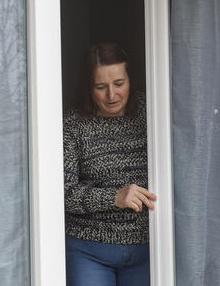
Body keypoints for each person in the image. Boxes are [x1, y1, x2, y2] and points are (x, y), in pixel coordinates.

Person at [64, 42, 157, 286]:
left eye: (119, 84)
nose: (112, 95)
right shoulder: (73, 126)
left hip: (149, 248)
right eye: (101, 87)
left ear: (130, 79)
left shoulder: (154, 112)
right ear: (88, 88)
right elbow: (63, 193)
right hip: (89, 250)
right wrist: (114, 197)